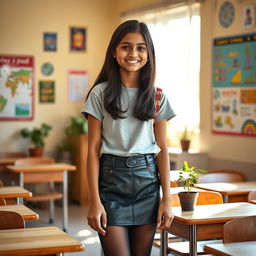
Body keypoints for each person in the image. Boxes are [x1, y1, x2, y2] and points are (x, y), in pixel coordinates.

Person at [82, 20, 175, 256]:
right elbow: (93, 149)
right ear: (114, 52)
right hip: (111, 184)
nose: (133, 53)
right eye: (126, 47)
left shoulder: (157, 95)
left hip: (147, 185)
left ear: (149, 54)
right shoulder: (100, 93)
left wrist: (167, 199)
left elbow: (162, 148)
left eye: (141, 48)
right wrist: (94, 200)